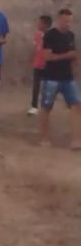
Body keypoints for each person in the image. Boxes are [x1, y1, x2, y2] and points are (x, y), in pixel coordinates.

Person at [39, 9, 81, 149]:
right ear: (59, 20)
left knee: (76, 105)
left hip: (67, 77)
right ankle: (44, 138)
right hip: (51, 77)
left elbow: (73, 55)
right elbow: (47, 57)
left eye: (70, 21)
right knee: (46, 107)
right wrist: (66, 56)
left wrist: (76, 62)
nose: (68, 24)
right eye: (65, 21)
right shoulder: (50, 35)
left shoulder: (70, 36)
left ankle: (76, 140)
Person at [28, 15, 52, 115]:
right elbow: (35, 48)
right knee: (36, 85)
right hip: (38, 64)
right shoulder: (37, 35)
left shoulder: (52, 36)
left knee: (47, 86)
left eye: (40, 23)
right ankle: (34, 106)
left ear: (45, 25)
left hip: (48, 65)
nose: (38, 24)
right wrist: (31, 59)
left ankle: (45, 106)